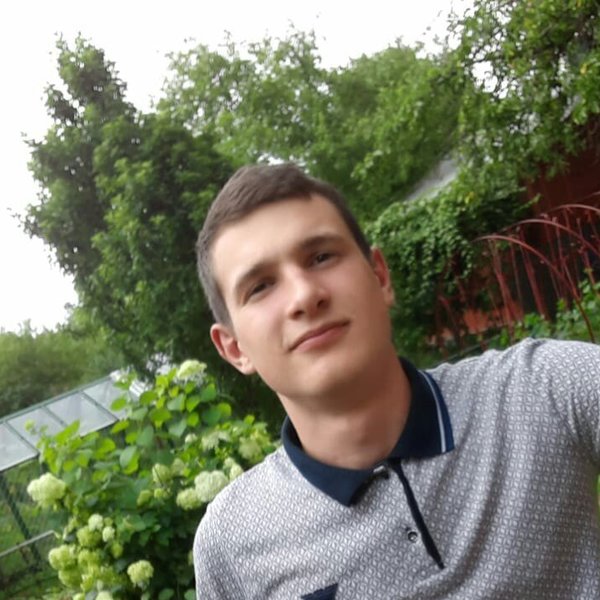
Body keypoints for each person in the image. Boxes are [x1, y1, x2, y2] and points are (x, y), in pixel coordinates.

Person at [193, 163, 600, 599]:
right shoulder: (231, 542)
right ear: (233, 348)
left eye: (321, 257)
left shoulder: (543, 389)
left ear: (380, 276)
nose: (304, 296)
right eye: (260, 287)